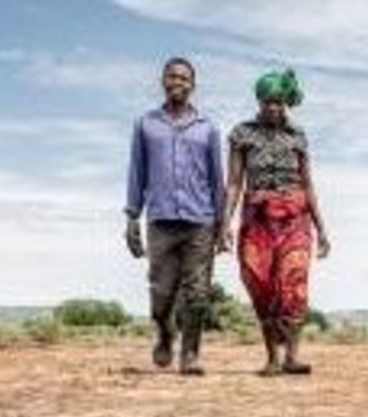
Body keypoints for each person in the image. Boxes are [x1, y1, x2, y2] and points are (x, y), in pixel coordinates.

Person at [221, 68, 330, 376]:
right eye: (267, 101)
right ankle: (272, 358)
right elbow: (233, 183)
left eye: (279, 102)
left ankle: (292, 357)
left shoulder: (298, 136)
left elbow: (309, 185)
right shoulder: (242, 134)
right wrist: (224, 223)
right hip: (257, 219)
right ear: (259, 101)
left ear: (286, 103)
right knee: (260, 284)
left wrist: (321, 230)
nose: (273, 107)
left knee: (294, 283)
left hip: (296, 217)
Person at [124, 57, 225, 375]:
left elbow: (216, 177)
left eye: (184, 78)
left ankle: (191, 355)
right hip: (160, 220)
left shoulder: (207, 128)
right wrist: (131, 217)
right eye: (172, 76)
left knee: (197, 293)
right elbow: (136, 172)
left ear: (192, 85)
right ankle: (166, 334)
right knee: (161, 294)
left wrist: (222, 224)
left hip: (200, 221)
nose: (177, 81)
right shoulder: (146, 124)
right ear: (163, 81)